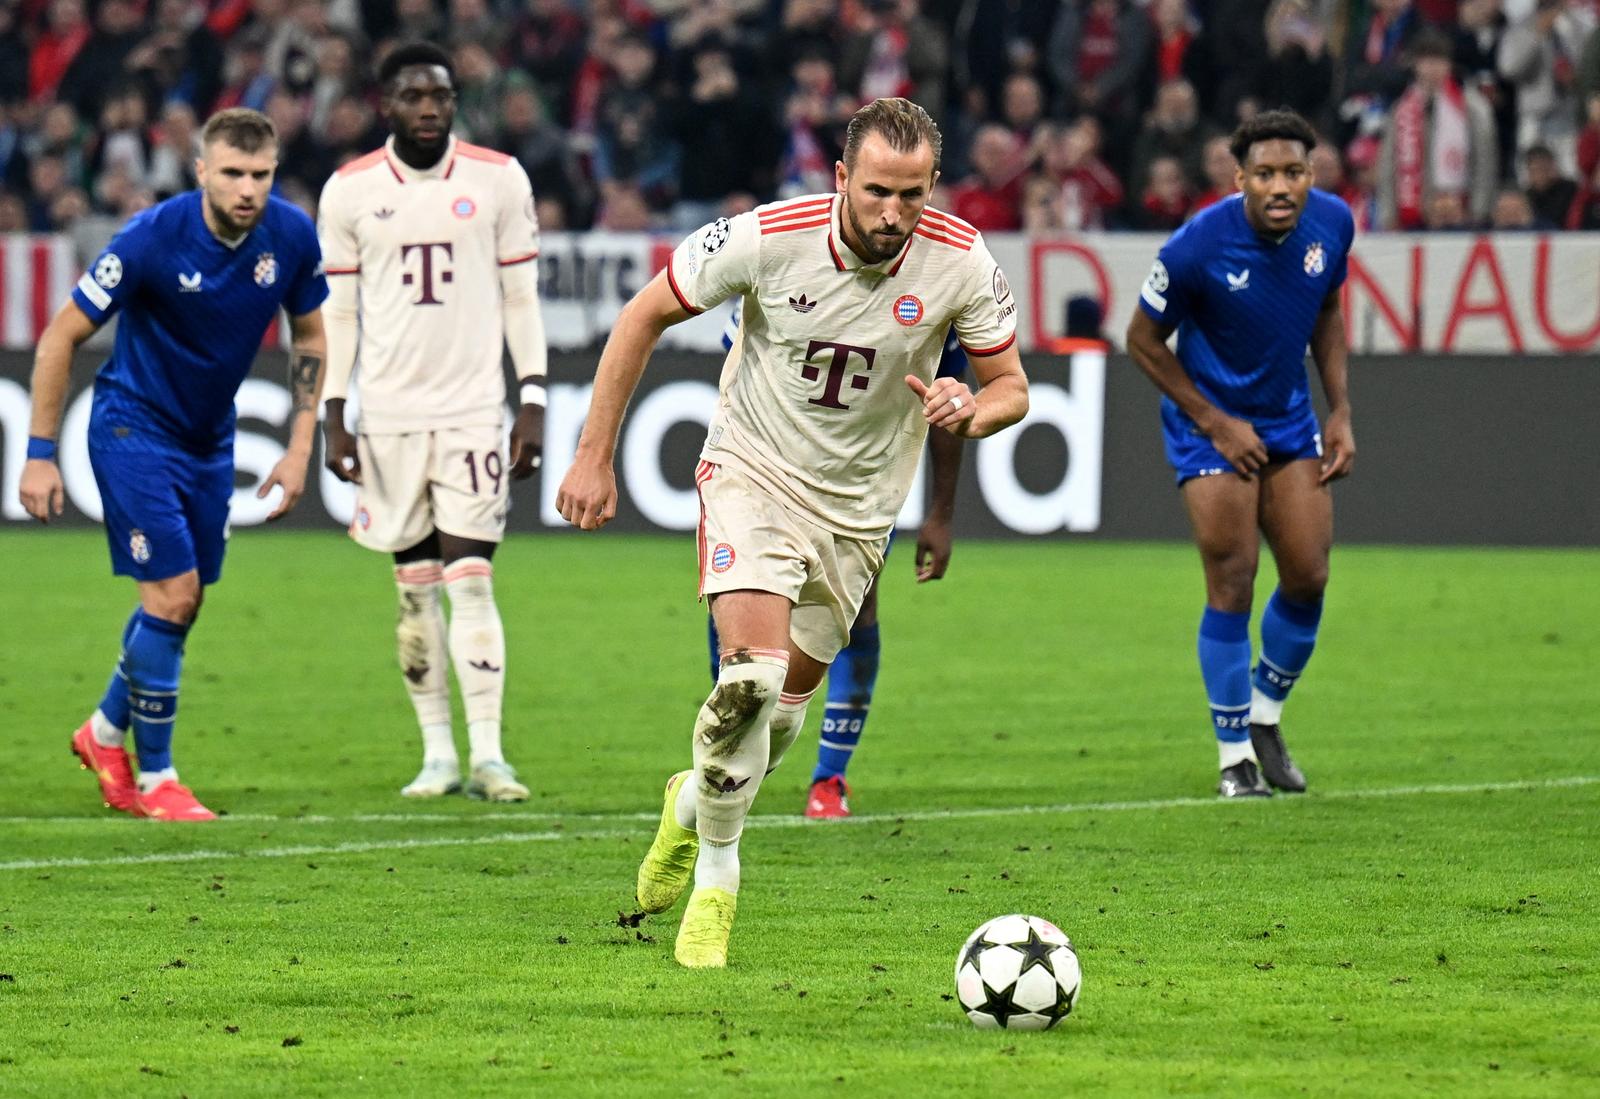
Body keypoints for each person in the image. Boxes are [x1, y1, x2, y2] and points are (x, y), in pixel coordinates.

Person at [556, 97, 1028, 967]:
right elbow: (641, 316)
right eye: (880, 191)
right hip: (753, 474)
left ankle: (688, 806)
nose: (895, 214)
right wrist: (592, 456)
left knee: (774, 724)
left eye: (914, 194)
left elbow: (1012, 387)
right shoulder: (766, 236)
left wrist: (975, 407)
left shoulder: (960, 261)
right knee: (751, 678)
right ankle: (719, 880)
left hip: (857, 513)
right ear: (842, 177)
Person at [19, 107, 329, 820]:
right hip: (133, 428)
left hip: (209, 439)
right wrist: (39, 454)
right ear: (200, 172)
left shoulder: (291, 234)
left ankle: (102, 732)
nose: (247, 188)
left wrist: (300, 444)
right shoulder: (153, 238)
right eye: (231, 174)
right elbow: (61, 335)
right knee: (169, 595)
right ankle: (157, 779)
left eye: (260, 174)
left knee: (184, 605)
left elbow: (309, 332)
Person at [317, 42, 548, 803]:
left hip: (474, 411)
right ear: (386, 104)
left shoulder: (498, 179)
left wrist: (535, 398)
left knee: (472, 583)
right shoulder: (349, 191)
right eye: (414, 96)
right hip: (385, 417)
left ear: (455, 103)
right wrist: (334, 411)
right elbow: (340, 311)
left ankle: (490, 756)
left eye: (441, 96)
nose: (428, 109)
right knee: (413, 592)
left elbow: (521, 299)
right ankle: (438, 756)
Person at [1125, 109, 1355, 800]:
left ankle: (1264, 716)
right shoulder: (1198, 244)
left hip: (1287, 419)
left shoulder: (1334, 223)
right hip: (1208, 424)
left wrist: (1339, 407)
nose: (1280, 186)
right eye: (1265, 174)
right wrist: (1216, 422)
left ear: (1311, 176)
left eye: (1293, 172)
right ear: (1240, 178)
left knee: (1309, 575)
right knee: (1233, 577)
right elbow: (1140, 340)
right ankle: (1234, 760)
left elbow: (1327, 311)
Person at [705, 322, 970, 820]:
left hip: (860, 491)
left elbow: (948, 400)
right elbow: (738, 365)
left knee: (856, 614)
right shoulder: (784, 261)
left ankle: (829, 777)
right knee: (739, 599)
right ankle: (731, 748)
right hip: (767, 478)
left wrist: (941, 512)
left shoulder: (940, 284)